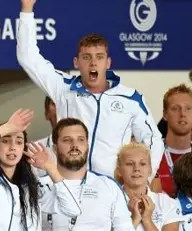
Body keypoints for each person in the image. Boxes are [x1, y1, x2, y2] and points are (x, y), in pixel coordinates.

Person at [16, 0, 163, 180]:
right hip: (69, 184)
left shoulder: (130, 98)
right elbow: (28, 57)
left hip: (112, 192)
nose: (93, 63)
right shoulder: (63, 88)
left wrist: (144, 180)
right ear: (76, 63)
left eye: (99, 57)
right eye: (86, 57)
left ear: (108, 63)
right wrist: (27, 9)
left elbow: (154, 140)